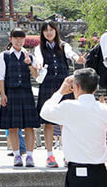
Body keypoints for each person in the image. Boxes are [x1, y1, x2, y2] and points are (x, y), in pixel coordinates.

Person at [40, 68, 107, 186]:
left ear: (76, 86)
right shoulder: (104, 109)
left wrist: (60, 91)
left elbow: (44, 112)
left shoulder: (68, 106)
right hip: (100, 171)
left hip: (77, 172)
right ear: (96, 88)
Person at [34, 20, 87, 168]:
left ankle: (66, 154)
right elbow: (38, 59)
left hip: (64, 84)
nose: (49, 32)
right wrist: (38, 65)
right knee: (48, 122)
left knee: (65, 121)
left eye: (51, 29)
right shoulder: (39, 48)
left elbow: (72, 55)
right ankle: (50, 155)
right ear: (42, 33)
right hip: (48, 85)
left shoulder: (64, 45)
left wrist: (78, 59)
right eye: (46, 30)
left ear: (56, 31)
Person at [0, 28, 40, 167]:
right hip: (11, 92)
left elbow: (36, 75)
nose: (18, 40)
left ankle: (29, 156)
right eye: (15, 38)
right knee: (13, 127)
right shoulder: (4, 55)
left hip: (26, 92)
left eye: (21, 38)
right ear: (11, 39)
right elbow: (1, 77)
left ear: (24, 39)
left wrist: (29, 64)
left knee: (29, 126)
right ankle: (16, 155)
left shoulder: (29, 56)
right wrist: (3, 94)